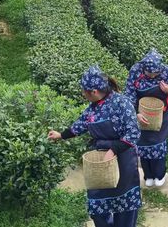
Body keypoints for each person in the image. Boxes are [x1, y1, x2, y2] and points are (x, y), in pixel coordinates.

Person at [48, 65, 141, 227]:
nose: (83, 95)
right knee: (97, 205)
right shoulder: (93, 108)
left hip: (124, 158)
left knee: (125, 203)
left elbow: (133, 133)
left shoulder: (122, 103)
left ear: (94, 92)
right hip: (99, 162)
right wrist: (61, 135)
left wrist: (113, 150)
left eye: (84, 92)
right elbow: (81, 124)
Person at [124, 48, 168, 188]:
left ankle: (160, 174)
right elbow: (129, 94)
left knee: (158, 144)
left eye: (156, 73)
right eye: (150, 73)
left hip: (162, 113)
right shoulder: (135, 71)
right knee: (143, 145)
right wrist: (135, 113)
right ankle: (148, 175)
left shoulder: (166, 71)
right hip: (141, 113)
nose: (153, 76)